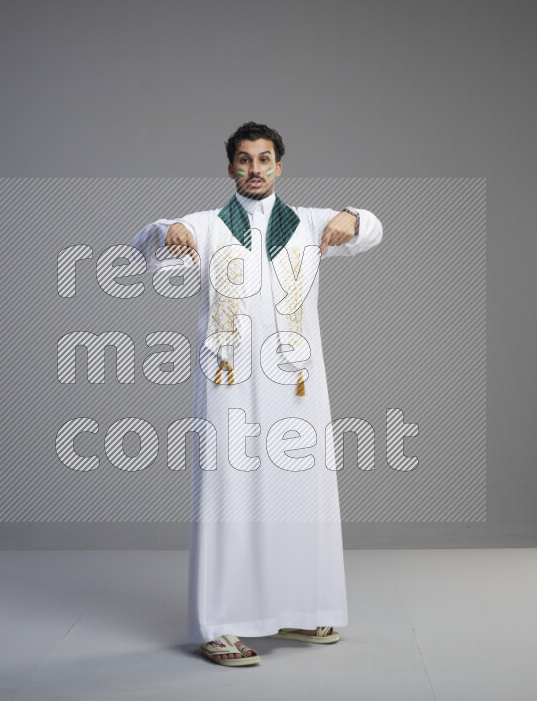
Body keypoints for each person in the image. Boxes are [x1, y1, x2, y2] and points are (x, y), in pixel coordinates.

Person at [130, 122, 383, 666]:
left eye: (265, 159)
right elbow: (147, 244)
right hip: (229, 384)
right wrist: (167, 227)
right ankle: (219, 626)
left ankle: (295, 610)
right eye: (244, 161)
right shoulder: (207, 227)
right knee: (229, 496)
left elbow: (372, 230)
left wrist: (353, 215)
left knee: (300, 494)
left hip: (296, 385)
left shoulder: (310, 224)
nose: (255, 170)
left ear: (280, 166)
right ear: (230, 169)